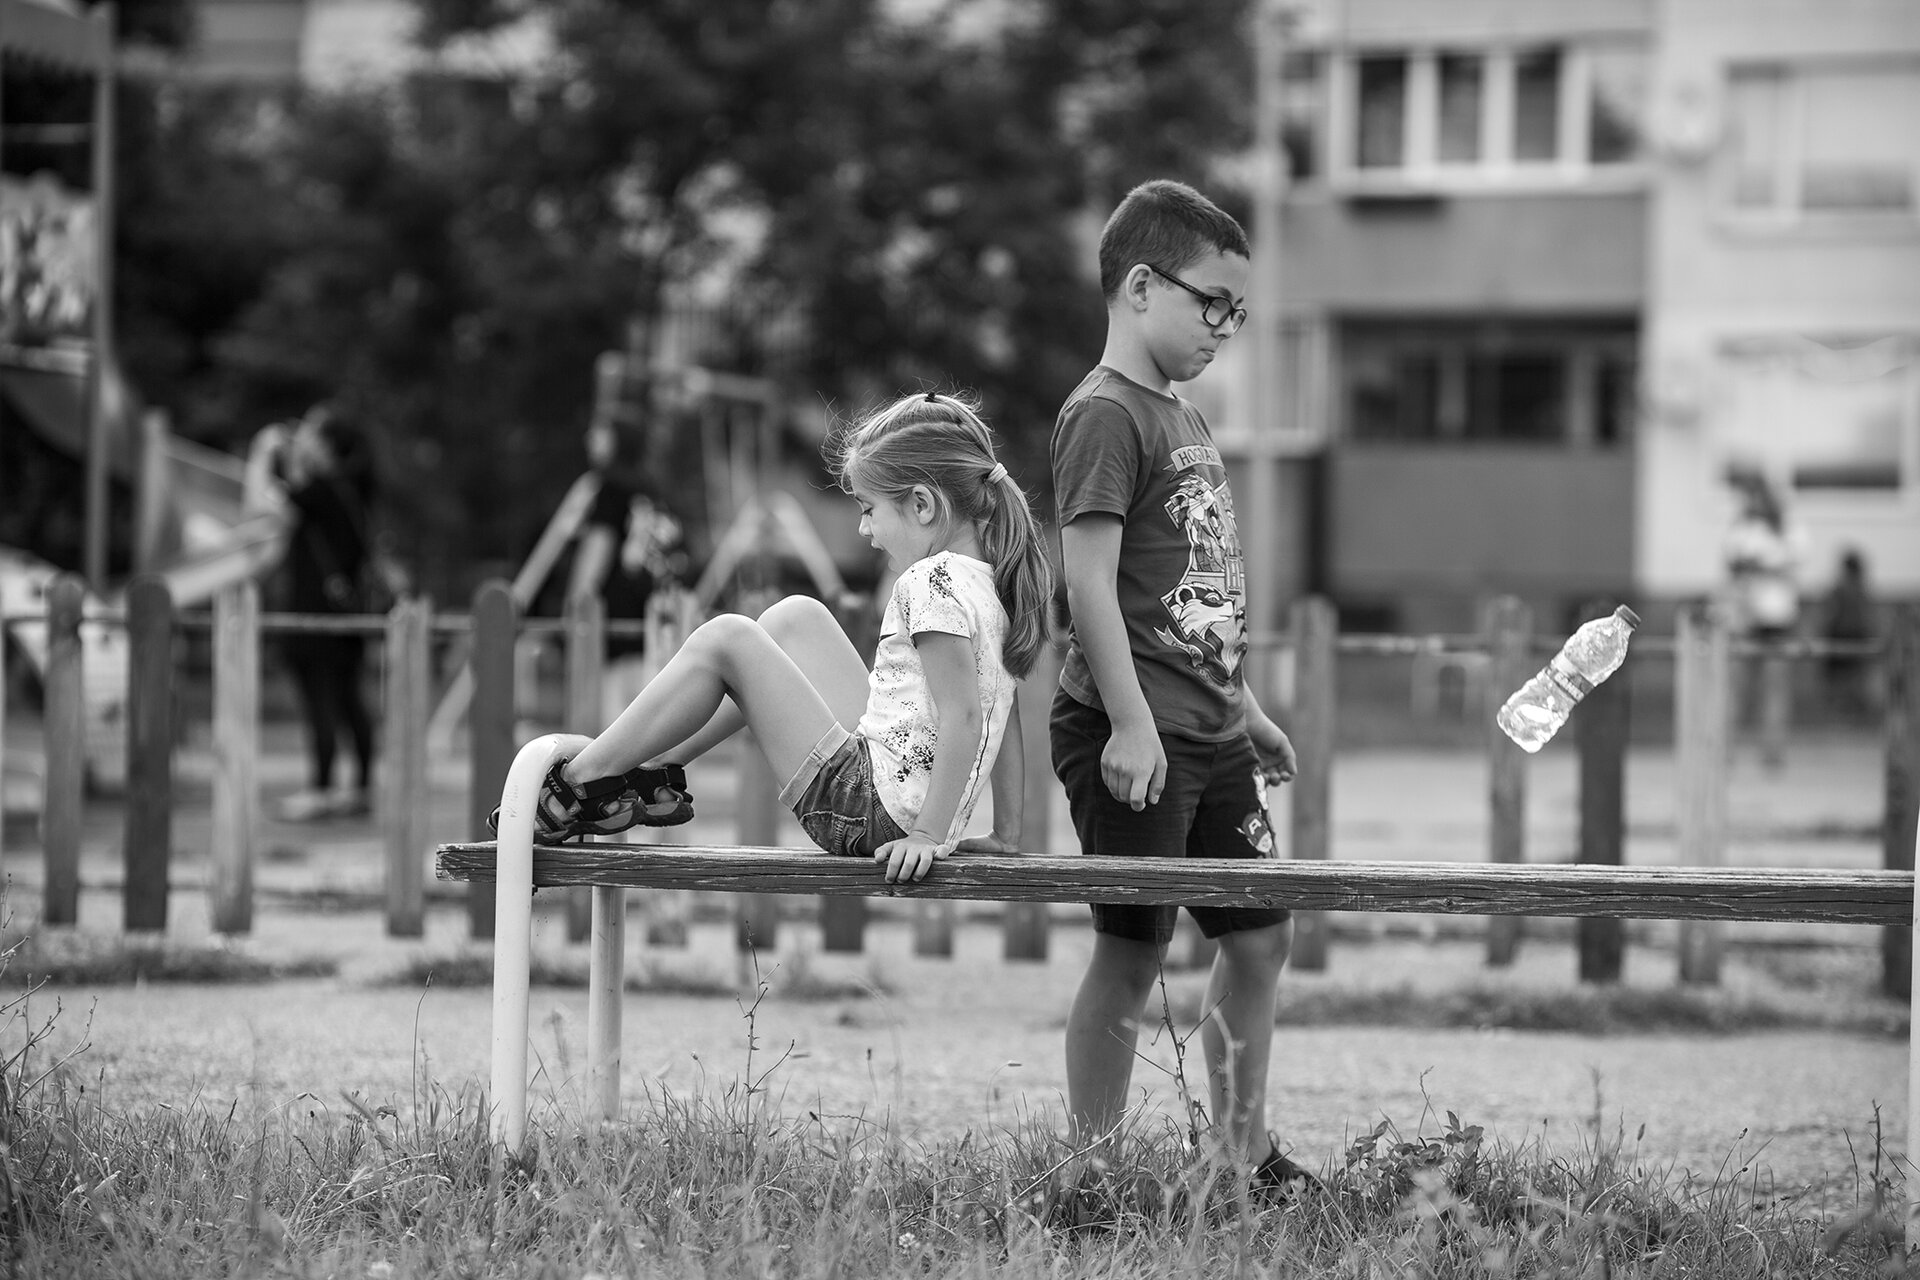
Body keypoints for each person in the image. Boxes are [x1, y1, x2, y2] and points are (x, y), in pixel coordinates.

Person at [496, 390, 1054, 887]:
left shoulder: (929, 581)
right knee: (793, 618)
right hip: (893, 797)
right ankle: (652, 771)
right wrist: (1006, 833)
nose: (864, 529)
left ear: (923, 505)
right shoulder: (989, 583)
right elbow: (996, 714)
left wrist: (928, 835)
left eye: (869, 510)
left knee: (727, 638)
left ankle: (582, 781)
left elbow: (964, 716)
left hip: (868, 809)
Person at [1049, 178, 1311, 1198]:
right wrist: (1129, 722)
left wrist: (1247, 710)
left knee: (1263, 934)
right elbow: (1089, 584)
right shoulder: (1105, 415)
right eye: (1213, 303)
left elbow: (1194, 592)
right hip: (1132, 735)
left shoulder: (1185, 415)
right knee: (1133, 950)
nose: (1224, 329)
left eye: (1236, 312)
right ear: (1141, 286)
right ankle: (1091, 1173)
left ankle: (1238, 1153)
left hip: (1211, 732)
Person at [251, 406, 380, 821]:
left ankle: (321, 790)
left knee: (320, 701)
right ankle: (360, 789)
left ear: (324, 444)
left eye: (308, 429)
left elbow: (263, 505)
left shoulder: (320, 492)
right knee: (347, 701)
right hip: (346, 615)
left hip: (315, 617)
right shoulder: (349, 488)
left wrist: (262, 453)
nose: (299, 434)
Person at [567, 412, 686, 728]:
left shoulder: (610, 487)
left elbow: (598, 548)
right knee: (647, 721)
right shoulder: (651, 488)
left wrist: (577, 603)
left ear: (618, 441)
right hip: (653, 615)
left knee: (611, 722)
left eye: (600, 433)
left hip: (613, 619)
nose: (590, 439)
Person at [1723, 469, 1800, 766]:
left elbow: (1792, 559)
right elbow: (1733, 562)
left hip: (1778, 619)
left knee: (1774, 691)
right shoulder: (1742, 529)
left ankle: (1772, 753)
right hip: (1745, 619)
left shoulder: (1787, 528)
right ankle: (1727, 751)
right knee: (1736, 690)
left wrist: (1758, 564)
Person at [1822, 546, 1875, 722]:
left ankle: (1846, 715)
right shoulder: (1862, 589)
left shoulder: (1842, 589)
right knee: (1853, 681)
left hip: (1843, 636)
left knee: (1844, 682)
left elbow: (1831, 614)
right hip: (1855, 638)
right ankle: (1851, 715)